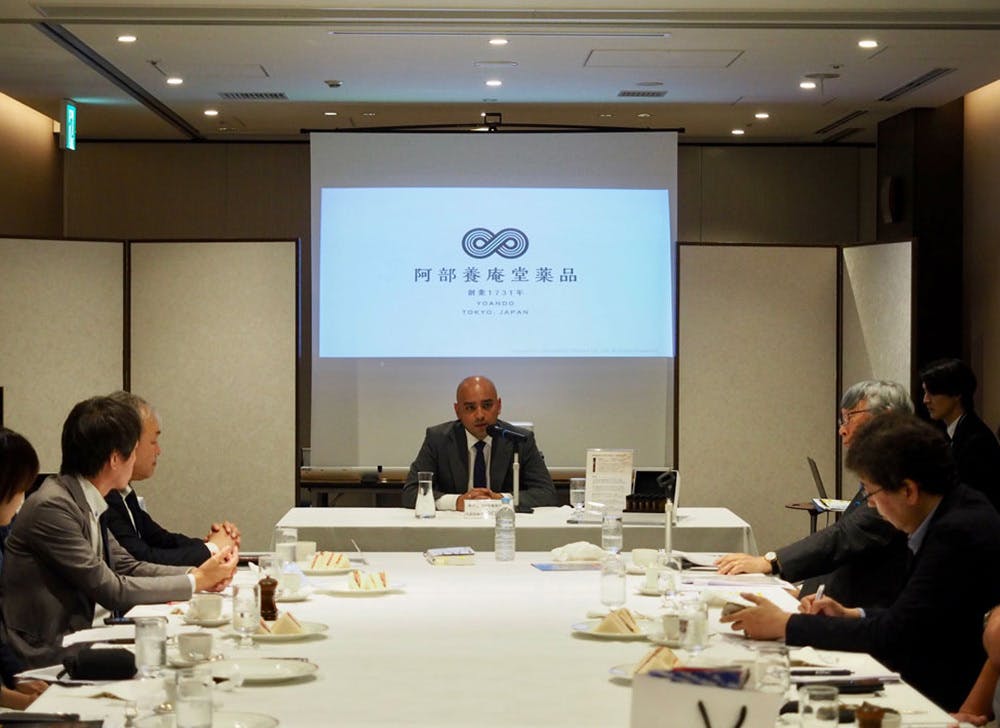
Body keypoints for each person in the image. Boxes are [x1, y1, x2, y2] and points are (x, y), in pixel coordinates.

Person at [720, 413, 1000, 711]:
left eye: (871, 492)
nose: (870, 503)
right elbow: (915, 616)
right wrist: (852, 614)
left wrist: (786, 624)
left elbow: (897, 636)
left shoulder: (956, 533)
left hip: (942, 694)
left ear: (908, 491)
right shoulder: (952, 508)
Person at [0, 396, 238, 668]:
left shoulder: (86, 497)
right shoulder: (54, 506)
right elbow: (111, 589)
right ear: (115, 458)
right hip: (46, 652)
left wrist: (196, 574)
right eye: (133, 451)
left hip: (85, 636)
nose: (136, 460)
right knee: (171, 661)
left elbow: (127, 565)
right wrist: (198, 581)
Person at [715, 380, 912, 607]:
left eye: (849, 417)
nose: (842, 429)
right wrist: (801, 591)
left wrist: (772, 562)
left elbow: (848, 536)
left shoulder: (901, 472)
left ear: (886, 417)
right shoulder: (881, 468)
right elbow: (850, 554)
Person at [103, 391, 240, 566]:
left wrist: (215, 544)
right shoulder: (104, 495)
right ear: (128, 443)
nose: (158, 451)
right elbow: (141, 559)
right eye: (153, 441)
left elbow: (162, 540)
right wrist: (214, 547)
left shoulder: (123, 493)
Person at [401, 376, 557, 511]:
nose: (480, 415)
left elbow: (547, 493)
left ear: (499, 406)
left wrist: (501, 499)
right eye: (470, 408)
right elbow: (411, 492)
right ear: (457, 410)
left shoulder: (519, 440)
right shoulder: (438, 439)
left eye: (487, 405)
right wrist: (457, 502)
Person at [0, 428, 48, 709]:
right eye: (20, 489)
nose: (22, 499)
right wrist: (19, 701)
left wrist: (17, 677)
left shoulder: (4, 533)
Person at [920, 358, 1000, 511]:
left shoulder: (976, 441)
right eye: (925, 392)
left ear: (956, 394)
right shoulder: (948, 432)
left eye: (933, 392)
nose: (926, 400)